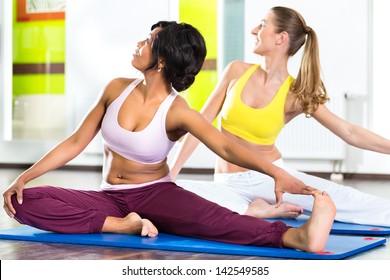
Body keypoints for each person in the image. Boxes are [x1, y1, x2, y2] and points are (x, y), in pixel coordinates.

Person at [2, 21, 335, 252]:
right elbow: (75, 142)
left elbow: (224, 146)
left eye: (147, 41)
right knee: (23, 202)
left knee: (220, 223)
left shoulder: (178, 111)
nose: (138, 44)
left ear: (161, 60)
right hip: (110, 199)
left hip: (157, 195)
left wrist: (276, 172)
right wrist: (24, 178)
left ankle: (297, 238)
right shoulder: (116, 88)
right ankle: (120, 225)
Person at [170, 6, 390, 227]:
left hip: (269, 179)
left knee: (345, 199)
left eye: (263, 25)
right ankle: (254, 210)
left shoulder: (296, 94)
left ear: (281, 38)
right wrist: (172, 173)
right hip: (225, 181)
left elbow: (349, 132)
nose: (254, 30)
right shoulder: (235, 71)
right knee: (177, 192)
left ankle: (252, 208)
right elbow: (198, 124)